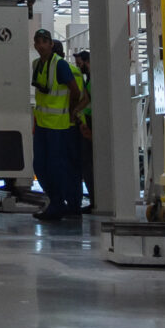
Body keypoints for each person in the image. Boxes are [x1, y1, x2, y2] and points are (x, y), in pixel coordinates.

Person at [31, 28, 86, 221]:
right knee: (39, 165)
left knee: (57, 166)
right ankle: (57, 201)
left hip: (58, 126)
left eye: (44, 42)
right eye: (37, 42)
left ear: (50, 44)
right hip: (43, 125)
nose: (40, 45)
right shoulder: (36, 64)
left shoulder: (60, 65)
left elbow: (76, 92)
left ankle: (62, 203)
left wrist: (71, 112)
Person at [73, 48, 96, 212]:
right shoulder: (89, 79)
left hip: (91, 122)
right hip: (87, 121)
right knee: (86, 163)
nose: (78, 66)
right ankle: (94, 198)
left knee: (88, 163)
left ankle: (95, 199)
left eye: (79, 63)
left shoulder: (93, 80)